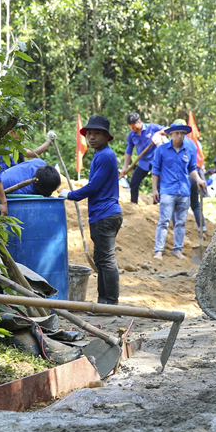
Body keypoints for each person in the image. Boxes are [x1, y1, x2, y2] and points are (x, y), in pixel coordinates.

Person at [65, 116, 123, 304]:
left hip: (105, 214)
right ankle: (103, 300)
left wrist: (70, 194)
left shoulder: (105, 155)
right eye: (89, 133)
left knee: (106, 260)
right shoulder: (100, 154)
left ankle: (111, 302)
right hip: (102, 214)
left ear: (106, 136)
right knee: (100, 259)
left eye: (97, 133)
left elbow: (94, 186)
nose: (91, 137)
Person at [151, 121, 206, 260]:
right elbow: (155, 171)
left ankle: (178, 250)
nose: (180, 136)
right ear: (171, 134)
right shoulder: (161, 150)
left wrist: (199, 180)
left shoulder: (188, 150)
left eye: (182, 133)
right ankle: (158, 251)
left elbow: (192, 168)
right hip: (167, 191)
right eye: (177, 133)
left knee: (181, 222)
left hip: (184, 191)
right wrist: (154, 189)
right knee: (164, 221)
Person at [120, 112, 166, 204]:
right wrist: (125, 167)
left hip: (155, 161)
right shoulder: (131, 135)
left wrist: (158, 133)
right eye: (131, 127)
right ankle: (133, 204)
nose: (133, 129)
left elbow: (167, 130)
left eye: (134, 126)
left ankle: (156, 206)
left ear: (139, 122)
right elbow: (128, 151)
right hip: (143, 162)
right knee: (134, 183)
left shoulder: (152, 127)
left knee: (158, 185)